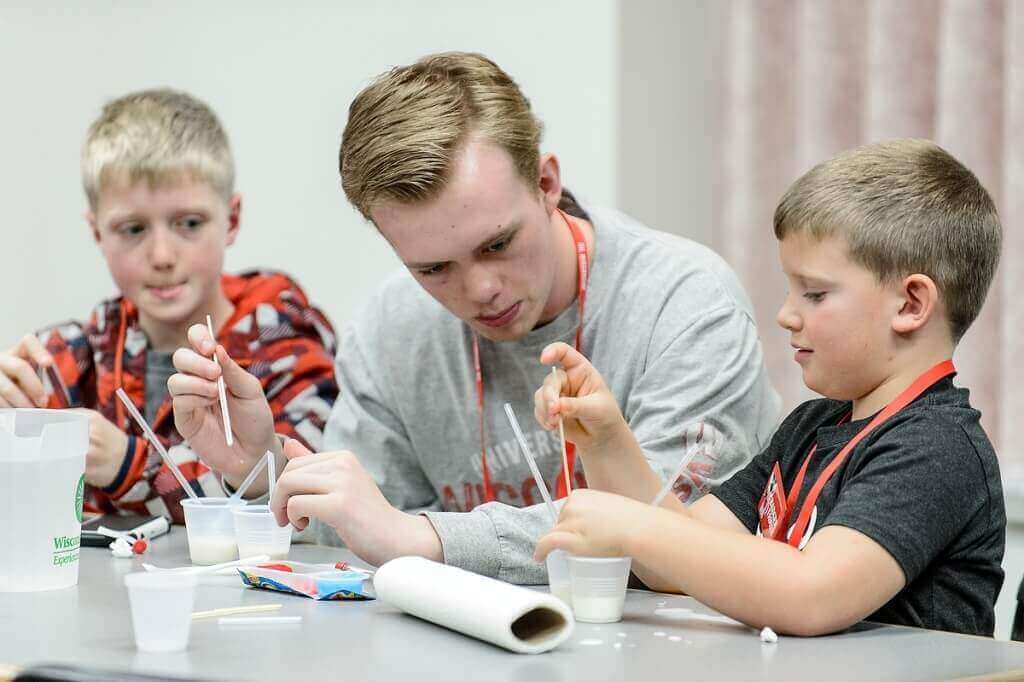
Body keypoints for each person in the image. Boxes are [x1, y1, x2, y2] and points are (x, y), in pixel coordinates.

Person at [169, 53, 780, 581]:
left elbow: (672, 544)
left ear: (546, 182)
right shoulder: (390, 326)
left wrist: (423, 540)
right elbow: (363, 529)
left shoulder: (687, 306)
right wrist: (262, 464)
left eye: (497, 244)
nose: (481, 290)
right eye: (434, 268)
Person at [533, 139, 1005, 636]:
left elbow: (810, 596)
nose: (785, 314)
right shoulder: (812, 426)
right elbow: (676, 558)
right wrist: (606, 440)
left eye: (815, 293)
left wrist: (633, 527)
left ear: (910, 305)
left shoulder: (936, 448)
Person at [0, 88, 338, 522]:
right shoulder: (76, 356)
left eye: (189, 224)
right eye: (133, 229)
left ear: (231, 220)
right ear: (97, 232)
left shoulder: (285, 344)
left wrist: (127, 466)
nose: (162, 255)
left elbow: (299, 491)